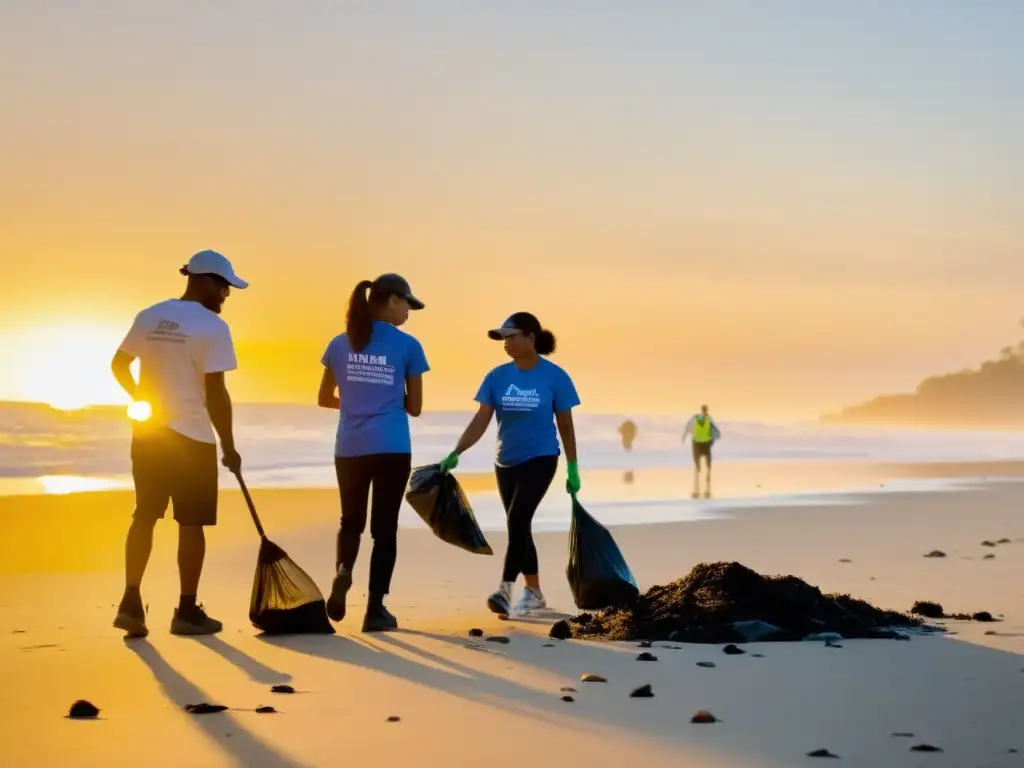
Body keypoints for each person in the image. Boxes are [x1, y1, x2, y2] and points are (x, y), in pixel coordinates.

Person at [111, 250, 247, 638]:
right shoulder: (213, 328)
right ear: (202, 280)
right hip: (192, 439)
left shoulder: (150, 314)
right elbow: (217, 394)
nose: (226, 294)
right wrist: (230, 446)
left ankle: (131, 603)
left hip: (149, 436)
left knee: (144, 515)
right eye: (223, 286)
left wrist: (141, 399)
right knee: (191, 523)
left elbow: (118, 365)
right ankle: (186, 611)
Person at [439, 312, 580, 616]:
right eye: (503, 338)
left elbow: (566, 426)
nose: (506, 343)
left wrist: (572, 467)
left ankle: (505, 589)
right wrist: (457, 451)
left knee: (517, 520)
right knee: (519, 524)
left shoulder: (555, 377)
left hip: (542, 457)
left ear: (531, 337)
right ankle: (535, 592)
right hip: (506, 462)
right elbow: (481, 419)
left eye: (511, 336)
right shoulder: (497, 377)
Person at [318, 274, 428, 632]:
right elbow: (415, 407)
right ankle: (375, 609)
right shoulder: (408, 346)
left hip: (349, 446)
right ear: (390, 300)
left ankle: (343, 570)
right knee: (385, 530)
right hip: (391, 447)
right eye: (407, 304)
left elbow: (323, 398)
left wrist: (355, 404)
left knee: (350, 522)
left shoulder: (339, 343)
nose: (409, 312)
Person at [682, 404, 721, 498]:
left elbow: (688, 428)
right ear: (706, 410)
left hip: (696, 444)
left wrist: (684, 437)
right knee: (708, 463)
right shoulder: (709, 419)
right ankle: (708, 477)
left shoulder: (695, 418)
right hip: (706, 444)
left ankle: (697, 480)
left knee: (697, 463)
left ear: (701, 410)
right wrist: (712, 441)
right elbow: (716, 433)